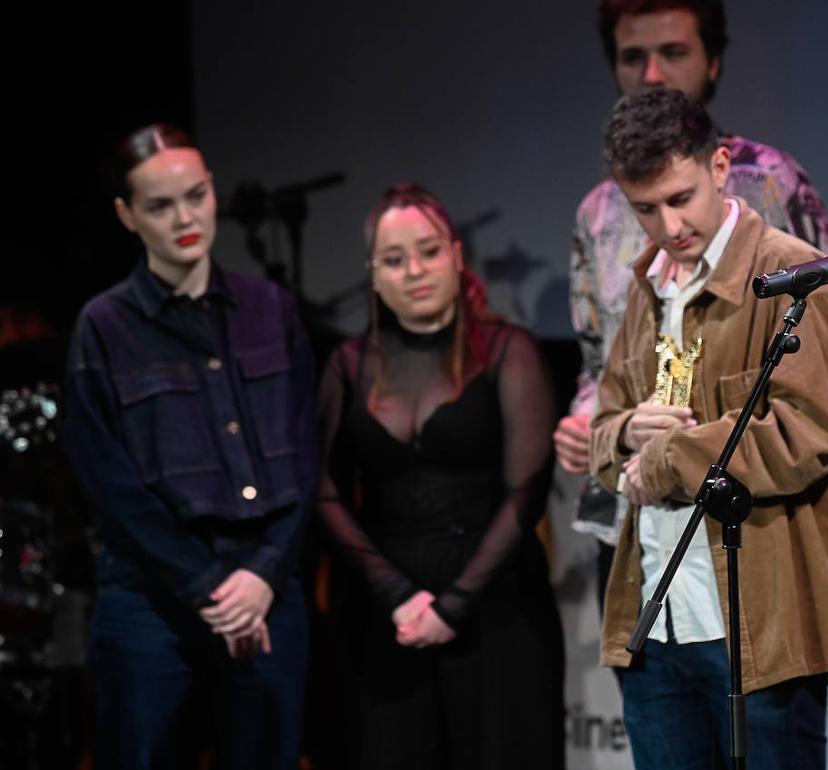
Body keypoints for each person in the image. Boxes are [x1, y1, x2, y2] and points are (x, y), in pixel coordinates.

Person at [590, 88, 828, 770]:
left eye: (680, 197)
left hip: (758, 630)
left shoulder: (793, 276)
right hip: (658, 619)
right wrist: (627, 432)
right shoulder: (648, 288)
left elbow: (810, 430)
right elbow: (603, 434)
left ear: (721, 167)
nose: (667, 225)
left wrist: (669, 456)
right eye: (645, 208)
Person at [554, 0, 828, 601]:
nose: (651, 73)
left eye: (673, 53)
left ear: (712, 62)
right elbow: (595, 354)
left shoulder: (771, 180)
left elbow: (823, 335)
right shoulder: (599, 210)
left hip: (752, 514)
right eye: (633, 57)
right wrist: (593, 420)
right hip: (641, 511)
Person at [63, 124, 315, 769]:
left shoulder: (270, 308)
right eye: (160, 205)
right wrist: (207, 586)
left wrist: (261, 573)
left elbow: (306, 448)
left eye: (196, 196)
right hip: (151, 595)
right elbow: (108, 483)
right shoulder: (105, 326)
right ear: (127, 215)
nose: (185, 218)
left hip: (265, 585)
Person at [316, 184, 565, 769]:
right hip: (386, 615)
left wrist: (453, 605)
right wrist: (396, 595)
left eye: (428, 251)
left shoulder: (509, 350)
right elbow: (323, 487)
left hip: (496, 602)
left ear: (456, 255)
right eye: (394, 260)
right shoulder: (348, 365)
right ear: (374, 275)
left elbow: (526, 490)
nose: (415, 271)